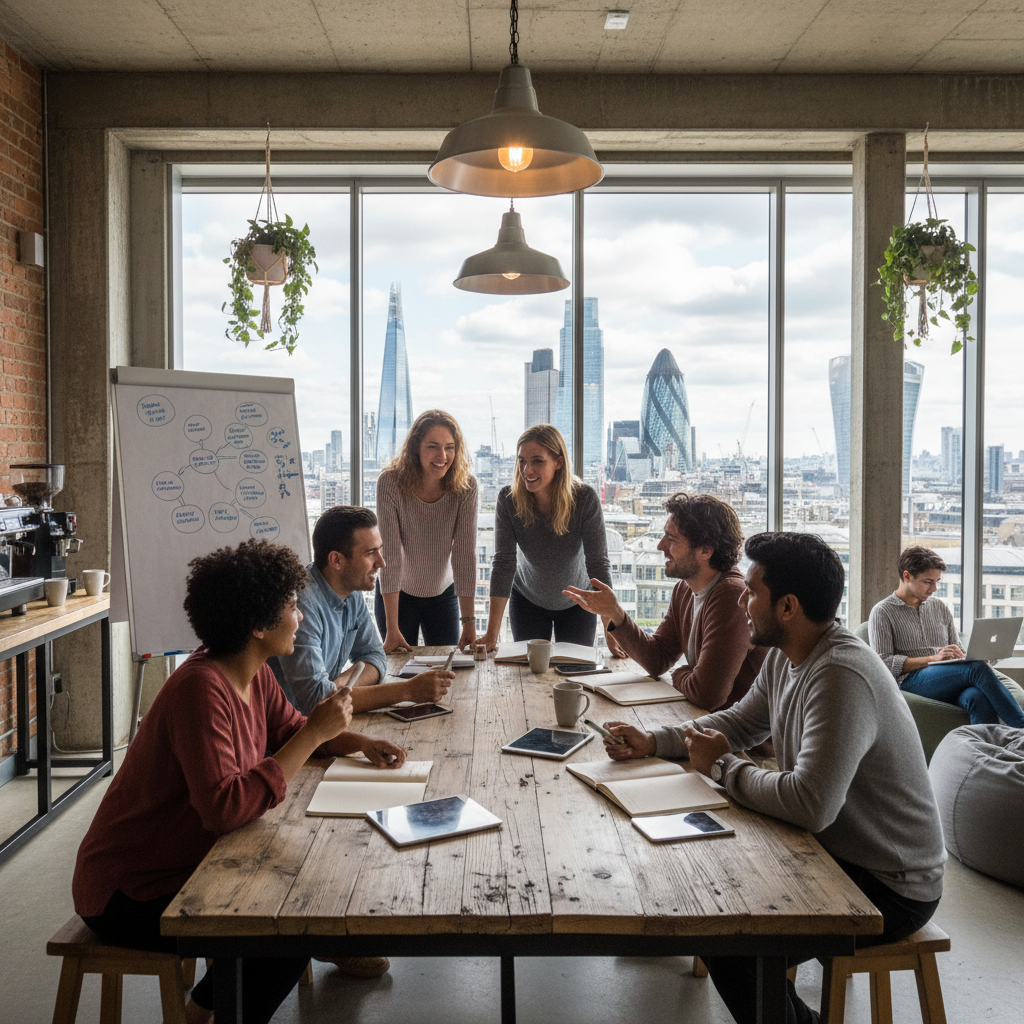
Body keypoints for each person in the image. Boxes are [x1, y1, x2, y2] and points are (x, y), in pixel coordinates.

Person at [601, 532, 945, 1024]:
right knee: (717, 904)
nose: (742, 599)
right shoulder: (789, 654)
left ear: (787, 606)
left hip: (890, 883)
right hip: (835, 850)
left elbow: (809, 804)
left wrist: (722, 766)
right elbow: (739, 723)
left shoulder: (841, 675)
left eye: (752, 591)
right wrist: (656, 741)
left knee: (735, 943)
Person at [72, 539, 408, 1024]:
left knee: (296, 916)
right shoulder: (201, 689)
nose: (300, 617)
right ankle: (205, 1013)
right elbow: (224, 807)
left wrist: (353, 741)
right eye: (292, 608)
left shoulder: (251, 672)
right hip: (129, 893)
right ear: (256, 626)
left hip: (189, 862)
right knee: (290, 929)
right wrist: (317, 731)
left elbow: (292, 731)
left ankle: (207, 1007)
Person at [564, 492, 767, 711]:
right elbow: (657, 659)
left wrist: (678, 673)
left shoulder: (731, 597)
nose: (660, 546)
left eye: (671, 540)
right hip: (703, 724)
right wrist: (616, 614)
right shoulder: (685, 588)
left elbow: (707, 695)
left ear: (705, 550)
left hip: (735, 742)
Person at [272, 505, 455, 715]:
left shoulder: (351, 590)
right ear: (337, 560)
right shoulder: (302, 605)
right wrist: (407, 690)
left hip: (320, 725)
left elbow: (374, 656)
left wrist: (341, 685)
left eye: (380, 550)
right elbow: (318, 701)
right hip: (286, 733)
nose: (382, 563)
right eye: (371, 553)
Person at [480, 423, 612, 649]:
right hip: (527, 601)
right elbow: (503, 563)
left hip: (578, 602)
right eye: (522, 461)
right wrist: (491, 634)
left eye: (537, 461)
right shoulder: (508, 500)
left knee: (575, 675)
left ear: (558, 462)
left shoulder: (585, 499)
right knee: (529, 675)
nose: (527, 470)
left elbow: (598, 565)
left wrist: (612, 631)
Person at [869, 545, 1024, 727]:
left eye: (937, 582)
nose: (934, 588)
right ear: (907, 576)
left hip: (947, 678)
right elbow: (883, 664)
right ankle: (1021, 727)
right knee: (975, 668)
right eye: (928, 582)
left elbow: (957, 647)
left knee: (976, 696)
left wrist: (971, 656)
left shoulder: (940, 608)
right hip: (909, 683)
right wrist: (933, 659)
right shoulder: (882, 612)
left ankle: (987, 753)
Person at [375, 409, 478, 652]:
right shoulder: (390, 482)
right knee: (399, 674)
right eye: (433, 446)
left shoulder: (466, 487)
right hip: (397, 595)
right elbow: (389, 554)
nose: (442, 455)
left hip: (443, 595)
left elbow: (464, 556)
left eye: (450, 447)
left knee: (448, 671)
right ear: (416, 448)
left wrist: (469, 623)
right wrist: (392, 627)